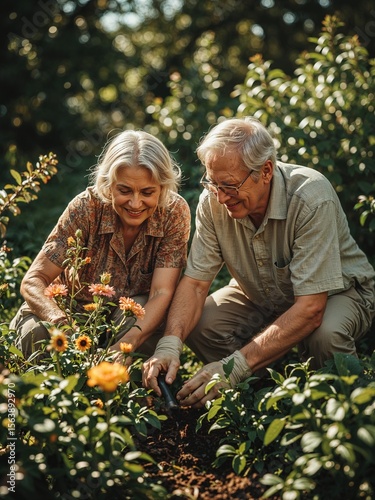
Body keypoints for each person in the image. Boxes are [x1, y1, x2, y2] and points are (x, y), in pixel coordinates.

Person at [142, 116, 375, 408]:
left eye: (229, 186)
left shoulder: (311, 197)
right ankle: (265, 391)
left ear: (265, 171)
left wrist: (234, 366)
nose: (222, 197)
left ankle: (345, 412)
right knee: (202, 324)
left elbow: (311, 308)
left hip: (338, 293)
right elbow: (196, 283)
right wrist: (170, 343)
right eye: (212, 183)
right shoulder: (212, 201)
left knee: (325, 336)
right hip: (263, 296)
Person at [10, 130, 190, 359]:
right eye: (124, 191)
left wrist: (124, 346)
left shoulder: (174, 212)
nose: (135, 203)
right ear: (108, 184)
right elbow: (33, 281)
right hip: (69, 311)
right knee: (34, 335)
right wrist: (61, 323)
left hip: (123, 319)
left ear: (163, 187)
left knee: (139, 317)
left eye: (147, 192)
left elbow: (161, 291)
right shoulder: (86, 208)